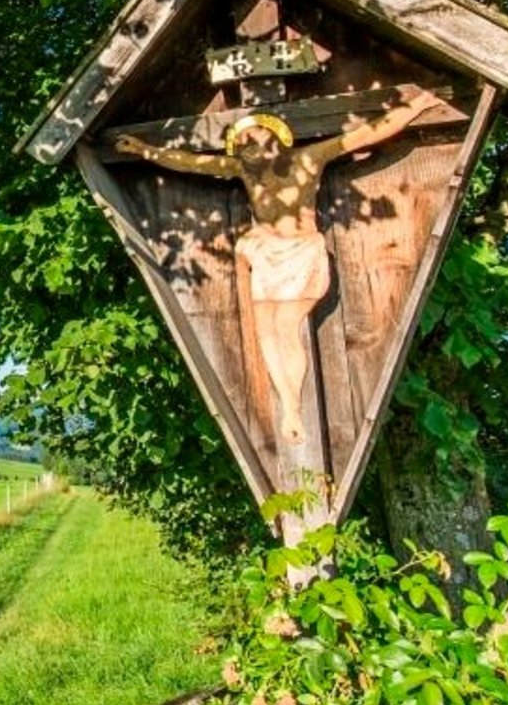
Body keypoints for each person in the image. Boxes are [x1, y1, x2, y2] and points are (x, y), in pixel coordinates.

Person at [113, 88, 441, 449]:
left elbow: (367, 133)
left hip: (300, 252)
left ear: (274, 136)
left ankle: (291, 409)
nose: (243, 145)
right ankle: (289, 404)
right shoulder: (244, 170)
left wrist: (419, 104)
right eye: (239, 142)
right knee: (266, 328)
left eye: (250, 137)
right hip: (267, 256)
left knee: (286, 326)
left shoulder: (310, 158)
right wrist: (145, 150)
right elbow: (190, 162)